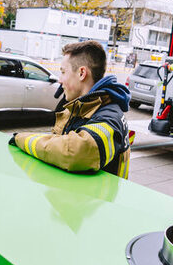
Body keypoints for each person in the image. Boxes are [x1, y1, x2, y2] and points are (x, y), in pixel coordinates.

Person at [10, 40, 131, 179]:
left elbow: (76, 151)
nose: (60, 80)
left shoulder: (110, 116)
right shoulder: (80, 107)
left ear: (81, 73)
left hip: (98, 200)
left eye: (63, 72)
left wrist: (22, 138)